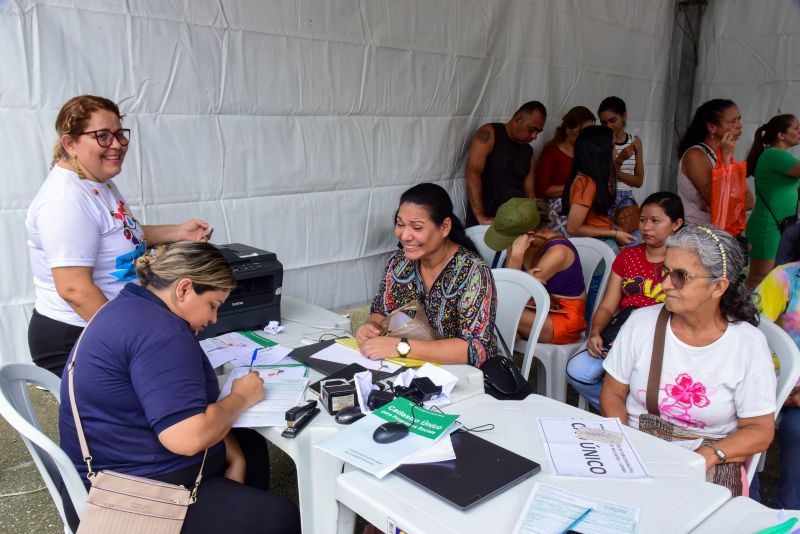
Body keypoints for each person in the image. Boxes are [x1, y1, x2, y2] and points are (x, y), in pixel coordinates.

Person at [58, 241, 300, 533]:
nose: (212, 319)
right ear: (184, 289)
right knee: (279, 516)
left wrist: (232, 453)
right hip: (127, 498)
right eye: (213, 305)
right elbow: (186, 438)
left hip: (104, 469)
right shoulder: (162, 334)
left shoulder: (128, 306)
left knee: (249, 444)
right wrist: (240, 397)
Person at [26, 95, 212, 377]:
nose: (116, 145)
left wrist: (177, 232)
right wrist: (130, 340)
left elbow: (118, 234)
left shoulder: (96, 181)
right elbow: (74, 290)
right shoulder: (65, 201)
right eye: (102, 136)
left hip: (111, 321)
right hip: (78, 334)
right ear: (70, 143)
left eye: (118, 134)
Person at [600, 225, 776, 495]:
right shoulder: (641, 324)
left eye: (681, 276)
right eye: (665, 271)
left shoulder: (747, 345)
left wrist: (708, 455)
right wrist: (625, 446)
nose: (665, 284)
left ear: (718, 286)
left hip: (710, 456)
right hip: (640, 446)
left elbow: (760, 430)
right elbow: (612, 394)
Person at [357, 183, 497, 366]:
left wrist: (402, 348)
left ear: (445, 227)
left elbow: (476, 349)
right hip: (409, 368)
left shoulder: (473, 272)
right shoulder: (399, 263)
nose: (405, 235)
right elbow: (381, 311)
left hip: (461, 376)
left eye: (417, 227)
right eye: (400, 224)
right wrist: (371, 327)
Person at [566, 192, 685, 408]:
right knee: (578, 372)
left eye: (655, 221)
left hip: (663, 336)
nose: (646, 227)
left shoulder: (684, 262)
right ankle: (625, 412)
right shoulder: (627, 257)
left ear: (676, 224)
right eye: (642, 220)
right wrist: (595, 332)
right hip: (622, 331)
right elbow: (608, 305)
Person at [484, 198, 586, 344]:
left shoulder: (558, 252)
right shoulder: (518, 241)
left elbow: (510, 295)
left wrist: (517, 256)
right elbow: (512, 289)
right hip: (533, 308)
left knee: (496, 310)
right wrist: (524, 277)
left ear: (530, 235)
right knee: (495, 325)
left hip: (563, 318)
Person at [751, 260, 800, 509]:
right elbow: (749, 327)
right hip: (777, 382)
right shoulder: (787, 278)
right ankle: (783, 511)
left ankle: (789, 512)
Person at [465, 101, 547, 226]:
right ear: (518, 119)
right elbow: (473, 172)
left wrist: (534, 222)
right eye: (532, 129)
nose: (534, 136)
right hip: (486, 219)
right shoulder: (490, 133)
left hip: (514, 222)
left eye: (538, 132)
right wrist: (481, 217)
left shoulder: (528, 151)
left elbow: (530, 193)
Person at [676, 98, 754, 227]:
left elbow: (749, 202)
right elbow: (713, 200)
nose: (739, 125)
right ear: (712, 127)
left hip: (721, 234)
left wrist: (727, 160)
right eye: (732, 121)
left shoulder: (724, 156)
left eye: (739, 119)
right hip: (698, 236)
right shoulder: (695, 155)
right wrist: (725, 161)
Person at [744, 114, 800, 289]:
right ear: (781, 135)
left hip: (779, 226)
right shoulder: (774, 155)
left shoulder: (778, 156)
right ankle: (744, 313)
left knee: (773, 279)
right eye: (796, 128)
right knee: (760, 278)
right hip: (768, 227)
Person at [561, 125, 637, 247]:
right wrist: (614, 234)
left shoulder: (588, 180)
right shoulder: (586, 183)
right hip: (597, 245)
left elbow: (595, 220)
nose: (616, 152)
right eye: (612, 147)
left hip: (599, 241)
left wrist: (614, 229)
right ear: (600, 151)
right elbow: (573, 228)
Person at [535, 106, 596, 233]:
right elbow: (542, 189)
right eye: (583, 132)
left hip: (583, 206)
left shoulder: (587, 153)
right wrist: (573, 185)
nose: (587, 137)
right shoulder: (552, 152)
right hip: (559, 209)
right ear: (569, 129)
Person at [597, 97, 643, 216]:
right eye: (603, 123)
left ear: (624, 116)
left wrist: (616, 171)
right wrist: (619, 162)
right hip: (606, 197)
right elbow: (602, 179)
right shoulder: (599, 143)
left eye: (613, 120)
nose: (608, 126)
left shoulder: (635, 143)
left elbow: (639, 181)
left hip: (626, 198)